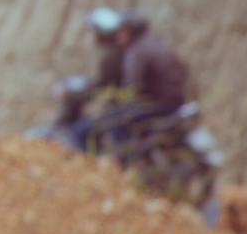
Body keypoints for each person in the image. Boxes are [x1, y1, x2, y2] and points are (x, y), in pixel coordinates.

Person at [66, 8, 192, 153]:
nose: (118, 35)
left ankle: (125, 160)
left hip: (156, 106)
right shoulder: (157, 44)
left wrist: (114, 98)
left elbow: (133, 88)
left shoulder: (136, 52)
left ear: (131, 32)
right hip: (176, 103)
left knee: (109, 123)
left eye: (122, 31)